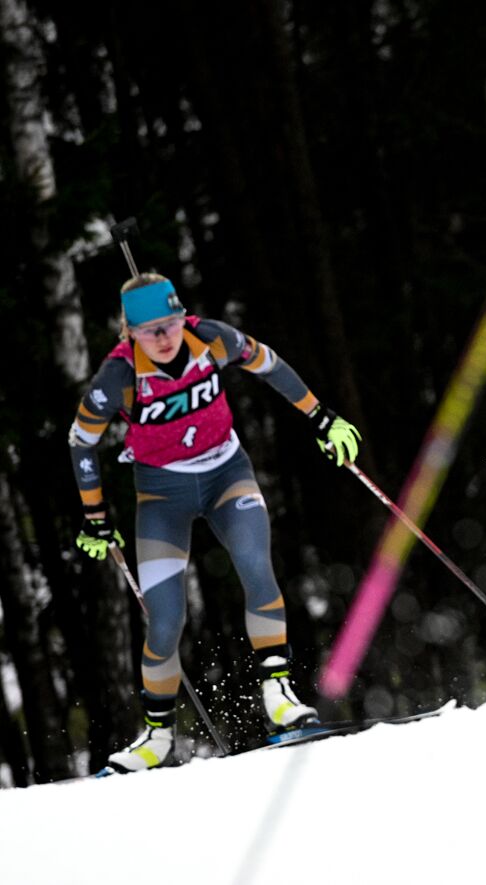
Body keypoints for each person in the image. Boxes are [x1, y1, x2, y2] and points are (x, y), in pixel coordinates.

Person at [70, 273, 362, 772]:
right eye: (149, 331)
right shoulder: (117, 377)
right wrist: (96, 517)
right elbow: (81, 442)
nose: (163, 338)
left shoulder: (211, 338)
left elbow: (269, 363)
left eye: (169, 324)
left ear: (182, 316)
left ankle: (279, 696)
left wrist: (321, 418)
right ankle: (157, 739)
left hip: (227, 473)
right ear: (129, 334)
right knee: (164, 619)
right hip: (161, 496)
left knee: (255, 565)